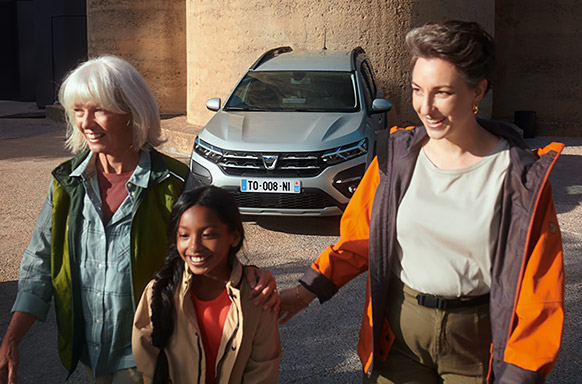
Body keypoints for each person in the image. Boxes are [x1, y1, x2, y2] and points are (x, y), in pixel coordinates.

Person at [279, 20, 564, 383]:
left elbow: (540, 286)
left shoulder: (521, 176)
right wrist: (305, 292)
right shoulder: (395, 157)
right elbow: (358, 239)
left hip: (477, 345)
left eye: (442, 92)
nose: (425, 107)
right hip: (398, 337)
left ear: (478, 92)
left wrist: (522, 374)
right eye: (417, 89)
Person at [0, 55, 278, 384]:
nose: (86, 122)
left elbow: (211, 246)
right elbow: (40, 261)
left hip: (155, 351)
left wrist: (250, 277)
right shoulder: (67, 184)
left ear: (131, 111)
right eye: (78, 110)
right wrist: (12, 338)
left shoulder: (173, 182)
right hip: (92, 354)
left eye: (98, 109)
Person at [132, 186, 281, 383]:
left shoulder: (256, 297)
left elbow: (263, 370)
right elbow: (145, 359)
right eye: (184, 235)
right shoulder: (159, 291)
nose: (194, 247)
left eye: (208, 235)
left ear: (234, 237)